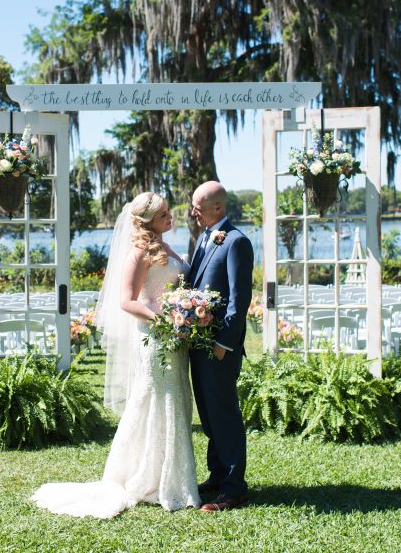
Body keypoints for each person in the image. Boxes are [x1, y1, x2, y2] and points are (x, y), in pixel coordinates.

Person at [31, 192, 200, 518]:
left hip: (174, 340)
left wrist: (185, 311)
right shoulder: (137, 252)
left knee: (176, 398)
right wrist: (166, 320)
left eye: (168, 212)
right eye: (165, 213)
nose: (171, 217)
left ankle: (173, 475)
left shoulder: (164, 245)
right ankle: (146, 478)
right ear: (148, 219)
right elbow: (127, 301)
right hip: (153, 338)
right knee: (154, 399)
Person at [187, 181, 254, 512]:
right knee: (210, 414)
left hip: (219, 347)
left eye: (199, 205)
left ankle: (234, 488)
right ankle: (217, 477)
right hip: (198, 344)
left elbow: (238, 301)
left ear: (218, 207)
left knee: (225, 414)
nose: (193, 211)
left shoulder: (237, 242)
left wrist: (222, 344)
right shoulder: (204, 238)